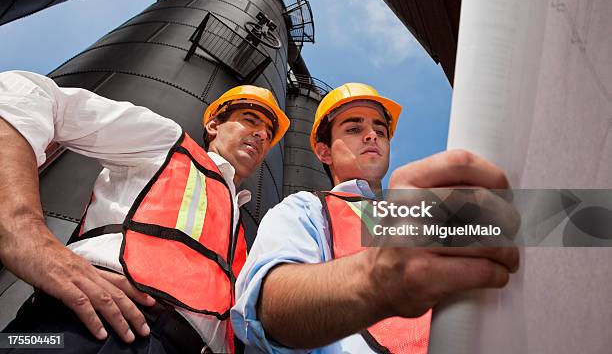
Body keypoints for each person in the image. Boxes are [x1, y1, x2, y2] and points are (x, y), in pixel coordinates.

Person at [0, 70, 289, 354]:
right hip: (95, 328)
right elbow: (26, 91)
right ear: (214, 125)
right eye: (250, 119)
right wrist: (22, 229)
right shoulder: (169, 144)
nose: (261, 134)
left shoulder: (240, 231)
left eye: (268, 133)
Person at [231, 83, 520, 353]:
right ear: (324, 151)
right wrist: (377, 277)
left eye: (380, 131)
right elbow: (269, 309)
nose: (372, 135)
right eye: (354, 128)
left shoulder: (417, 216)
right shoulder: (305, 208)